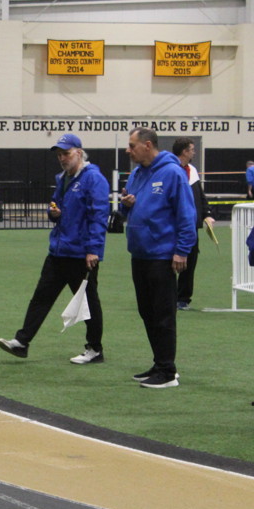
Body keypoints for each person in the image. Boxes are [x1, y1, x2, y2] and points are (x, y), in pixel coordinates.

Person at [0, 133, 109, 364]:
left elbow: (98, 216)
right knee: (40, 298)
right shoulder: (63, 179)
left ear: (79, 152)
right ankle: (22, 342)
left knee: (88, 302)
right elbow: (55, 206)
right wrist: (53, 212)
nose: (62, 158)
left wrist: (94, 250)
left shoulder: (94, 179)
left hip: (80, 254)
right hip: (59, 250)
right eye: (59, 155)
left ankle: (95, 349)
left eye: (66, 153)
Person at [119, 127, 196, 388]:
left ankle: (168, 372)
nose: (128, 150)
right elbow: (128, 209)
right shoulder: (136, 174)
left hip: (162, 255)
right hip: (139, 253)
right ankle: (159, 362)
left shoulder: (172, 173)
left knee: (163, 315)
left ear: (148, 145)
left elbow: (186, 214)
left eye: (132, 145)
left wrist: (182, 250)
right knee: (147, 312)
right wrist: (126, 205)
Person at [171, 138, 215, 310]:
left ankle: (183, 298)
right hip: (171, 225)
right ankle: (166, 296)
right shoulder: (170, 170)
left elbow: (200, 196)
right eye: (192, 149)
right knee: (167, 262)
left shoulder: (193, 171)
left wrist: (207, 214)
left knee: (190, 262)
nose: (194, 152)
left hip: (191, 226)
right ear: (184, 151)